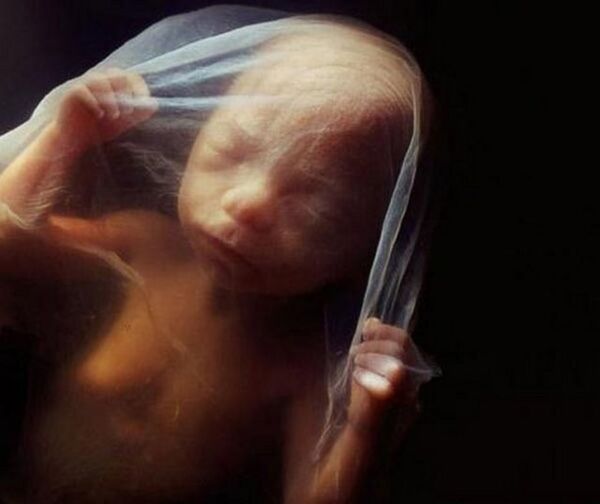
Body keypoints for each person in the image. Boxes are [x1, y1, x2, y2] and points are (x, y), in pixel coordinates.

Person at [0, 6, 437, 502]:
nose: (248, 205)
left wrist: (367, 426)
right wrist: (65, 137)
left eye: (316, 206)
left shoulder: (304, 366)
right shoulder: (147, 246)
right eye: (232, 151)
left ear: (373, 247)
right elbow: (6, 240)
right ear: (196, 135)